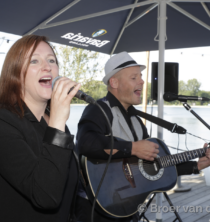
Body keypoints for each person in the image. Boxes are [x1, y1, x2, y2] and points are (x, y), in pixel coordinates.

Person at [75, 51, 210, 222]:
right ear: (114, 82)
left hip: (128, 209)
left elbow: (155, 168)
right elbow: (86, 143)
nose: (142, 81)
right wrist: (133, 148)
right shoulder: (99, 109)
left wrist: (197, 165)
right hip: (97, 210)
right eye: (134, 78)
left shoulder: (137, 121)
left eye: (141, 76)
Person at [0, 35, 81, 222]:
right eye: (34, 60)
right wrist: (57, 120)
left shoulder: (55, 123)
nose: (47, 66)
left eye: (51, 60)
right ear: (15, 73)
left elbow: (66, 190)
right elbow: (46, 195)